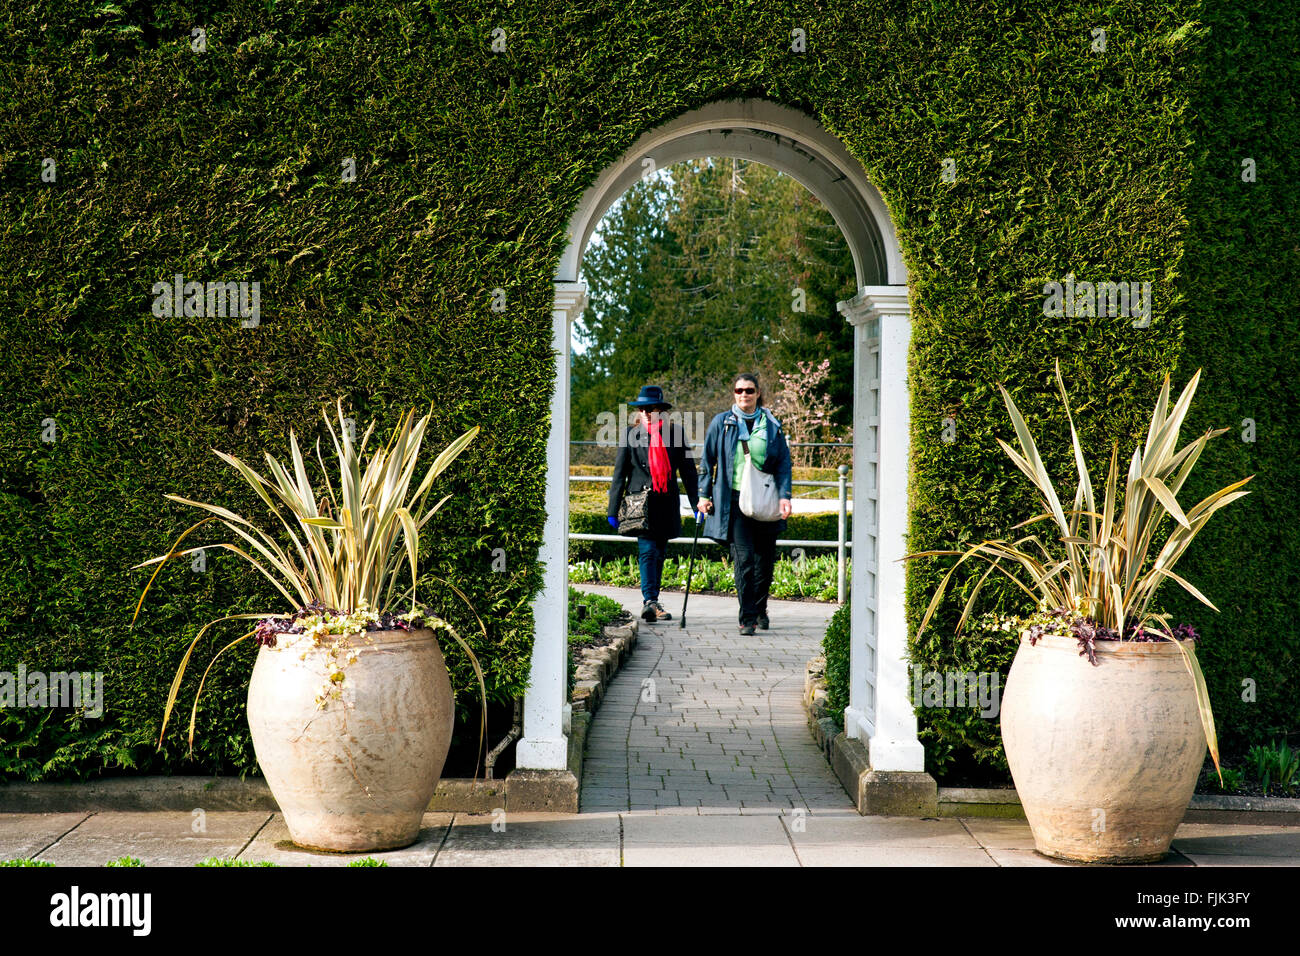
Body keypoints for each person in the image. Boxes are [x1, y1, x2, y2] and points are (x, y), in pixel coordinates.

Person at [696, 373, 793, 635]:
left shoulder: (771, 424)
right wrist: (703, 496)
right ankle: (747, 617)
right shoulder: (722, 423)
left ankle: (760, 608)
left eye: (749, 390)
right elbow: (707, 461)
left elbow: (784, 463)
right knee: (744, 559)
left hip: (765, 498)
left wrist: (785, 495)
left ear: (758, 392)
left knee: (765, 562)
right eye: (738, 390)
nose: (743, 395)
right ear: (734, 393)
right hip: (734, 501)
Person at [607, 385, 700, 623]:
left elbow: (688, 472)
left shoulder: (676, 434)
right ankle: (649, 601)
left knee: (659, 553)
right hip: (640, 504)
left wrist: (697, 503)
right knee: (647, 551)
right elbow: (620, 474)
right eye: (642, 409)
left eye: (651, 408)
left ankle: (653, 600)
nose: (646, 413)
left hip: (666, 502)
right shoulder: (630, 434)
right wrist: (612, 509)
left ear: (661, 410)